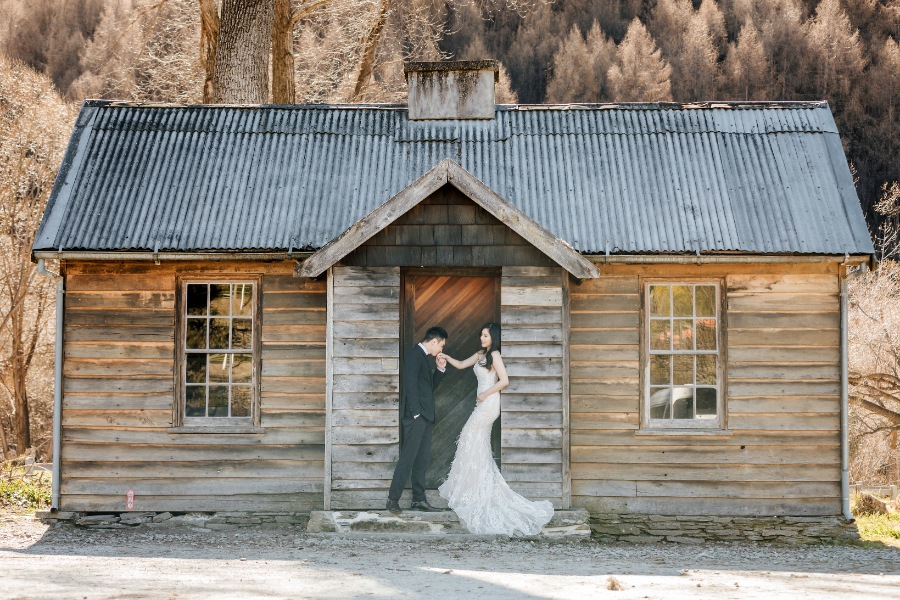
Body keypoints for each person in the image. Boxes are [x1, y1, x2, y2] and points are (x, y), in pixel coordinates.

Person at [437, 322, 554, 535]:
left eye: (485, 335)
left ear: (493, 337)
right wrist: (445, 357)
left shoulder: (496, 355)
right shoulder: (481, 354)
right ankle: (472, 487)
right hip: (482, 404)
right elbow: (463, 364)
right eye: (481, 335)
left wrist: (485, 394)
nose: (481, 338)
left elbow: (505, 381)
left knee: (469, 435)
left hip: (489, 404)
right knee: (473, 440)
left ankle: (475, 488)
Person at [386, 326, 448, 514]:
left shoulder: (425, 358)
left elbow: (428, 389)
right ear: (434, 341)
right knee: (407, 459)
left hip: (425, 418)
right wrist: (415, 413)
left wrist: (440, 369)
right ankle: (392, 500)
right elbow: (410, 384)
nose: (441, 350)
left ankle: (418, 500)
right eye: (442, 345)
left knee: (421, 461)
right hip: (416, 418)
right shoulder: (415, 355)